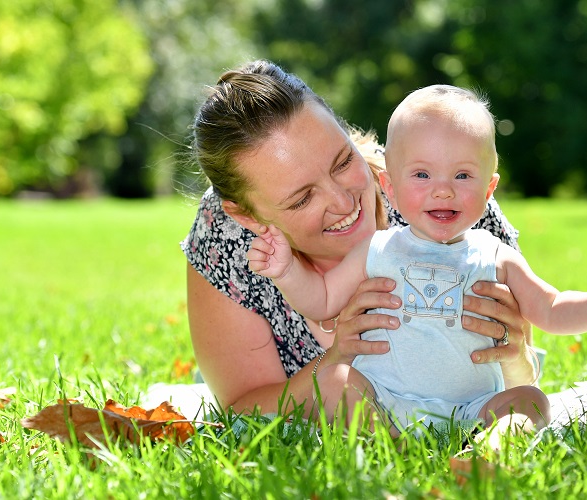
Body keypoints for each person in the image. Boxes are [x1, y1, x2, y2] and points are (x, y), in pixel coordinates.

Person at [245, 85, 587, 438]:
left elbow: (552, 309)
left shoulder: (495, 256)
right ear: (389, 187)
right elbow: (320, 299)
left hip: (472, 409)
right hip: (384, 401)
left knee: (530, 401)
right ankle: (392, 447)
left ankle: (492, 451)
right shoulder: (376, 250)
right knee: (335, 384)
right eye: (422, 175)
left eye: (463, 176)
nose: (443, 191)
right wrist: (286, 271)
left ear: (489, 188)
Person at [182, 60, 541, 428]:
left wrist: (516, 360)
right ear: (247, 216)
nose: (343, 202)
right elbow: (242, 407)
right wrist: (335, 359)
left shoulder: (443, 200)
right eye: (303, 199)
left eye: (342, 162)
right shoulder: (227, 237)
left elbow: (521, 379)